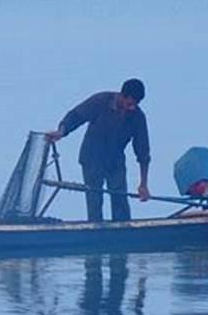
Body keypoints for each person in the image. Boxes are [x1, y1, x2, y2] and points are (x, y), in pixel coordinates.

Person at [47, 78, 151, 222]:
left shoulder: (137, 117)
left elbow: (143, 152)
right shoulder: (101, 101)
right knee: (94, 199)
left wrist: (143, 184)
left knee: (120, 199)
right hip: (92, 159)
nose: (131, 108)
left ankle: (122, 235)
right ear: (122, 96)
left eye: (135, 105)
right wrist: (61, 132)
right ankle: (96, 234)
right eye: (129, 104)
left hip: (115, 161)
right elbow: (76, 116)